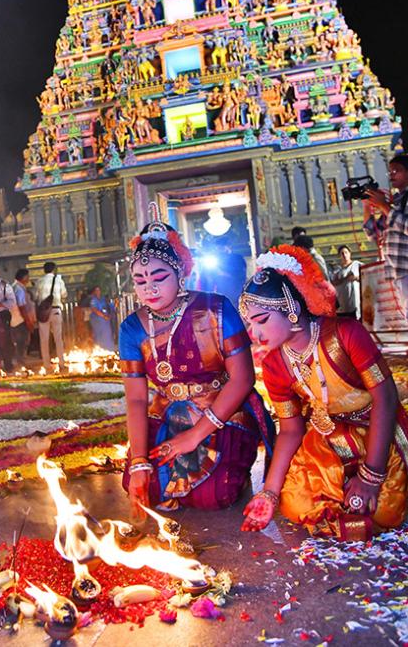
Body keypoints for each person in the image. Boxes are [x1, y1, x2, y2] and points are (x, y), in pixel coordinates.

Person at [239, 245, 408, 541]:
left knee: (386, 510)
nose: (255, 334)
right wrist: (269, 493)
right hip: (327, 435)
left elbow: (387, 399)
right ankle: (351, 518)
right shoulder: (275, 364)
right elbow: (291, 431)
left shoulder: (346, 334)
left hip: (377, 428)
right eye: (250, 323)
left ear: (291, 310)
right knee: (294, 504)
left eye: (262, 320)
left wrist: (370, 476)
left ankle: (352, 509)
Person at [119, 203, 274, 519]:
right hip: (166, 413)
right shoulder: (132, 327)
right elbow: (136, 399)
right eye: (139, 280)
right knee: (141, 483)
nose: (149, 288)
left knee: (214, 494)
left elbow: (243, 380)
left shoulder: (216, 309)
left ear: (180, 273)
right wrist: (137, 461)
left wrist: (195, 434)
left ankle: (234, 465)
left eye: (159, 277)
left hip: (221, 409)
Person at [364, 152, 408, 316]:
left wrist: (384, 206)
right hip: (397, 270)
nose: (392, 175)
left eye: (397, 170)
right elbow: (373, 234)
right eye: (390, 171)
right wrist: (368, 207)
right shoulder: (394, 201)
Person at [35, 261, 68, 370]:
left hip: (44, 313)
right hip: (56, 311)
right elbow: (64, 294)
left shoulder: (39, 281)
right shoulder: (59, 281)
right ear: (54, 270)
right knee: (58, 339)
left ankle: (46, 365)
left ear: (44, 270)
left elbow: (37, 296)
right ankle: (61, 363)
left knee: (44, 339)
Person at [11, 268, 35, 365]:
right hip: (20, 320)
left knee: (19, 343)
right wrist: (28, 321)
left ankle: (20, 362)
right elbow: (21, 306)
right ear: (24, 277)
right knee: (22, 343)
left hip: (16, 320)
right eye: (28, 277)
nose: (28, 279)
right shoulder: (19, 288)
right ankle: (21, 364)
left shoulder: (14, 287)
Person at [330, 245, 362, 318]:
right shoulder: (337, 269)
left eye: (346, 252)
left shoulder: (357, 265)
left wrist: (356, 277)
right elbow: (333, 283)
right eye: (342, 253)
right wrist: (345, 278)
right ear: (339, 256)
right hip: (342, 305)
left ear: (350, 253)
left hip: (355, 304)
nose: (344, 255)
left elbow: (366, 276)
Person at [88, 285, 115, 351]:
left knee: (107, 335)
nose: (98, 292)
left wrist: (114, 304)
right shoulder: (93, 300)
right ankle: (99, 350)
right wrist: (103, 316)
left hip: (105, 321)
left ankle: (109, 350)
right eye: (96, 290)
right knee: (99, 335)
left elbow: (110, 306)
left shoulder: (103, 299)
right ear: (94, 292)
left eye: (99, 290)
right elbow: (94, 309)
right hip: (97, 320)